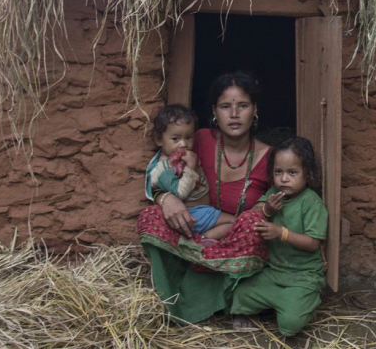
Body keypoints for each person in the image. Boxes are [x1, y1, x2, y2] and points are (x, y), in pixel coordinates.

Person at [137, 71, 273, 324]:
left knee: (253, 226)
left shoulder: (269, 156)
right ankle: (172, 301)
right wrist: (166, 198)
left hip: (233, 242)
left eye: (242, 105)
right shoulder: (197, 139)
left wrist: (261, 209)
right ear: (214, 111)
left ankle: (238, 303)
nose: (234, 114)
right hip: (192, 233)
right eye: (225, 106)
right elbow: (158, 169)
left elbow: (279, 197)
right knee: (151, 215)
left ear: (255, 110)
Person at [230, 136, 328, 337]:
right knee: (238, 293)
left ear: (307, 174)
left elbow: (312, 243)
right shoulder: (274, 193)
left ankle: (303, 302)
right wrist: (266, 209)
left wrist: (280, 233)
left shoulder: (312, 203)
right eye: (278, 172)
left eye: (292, 172)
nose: (284, 179)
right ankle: (276, 304)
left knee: (289, 326)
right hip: (273, 273)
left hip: (303, 277)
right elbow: (255, 212)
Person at [144, 104, 234, 243]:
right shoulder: (163, 168)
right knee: (235, 223)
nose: (183, 144)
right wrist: (191, 168)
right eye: (175, 139)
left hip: (199, 212)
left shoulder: (178, 160)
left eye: (189, 137)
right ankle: (202, 241)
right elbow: (180, 194)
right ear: (159, 140)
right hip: (192, 214)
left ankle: (202, 241)